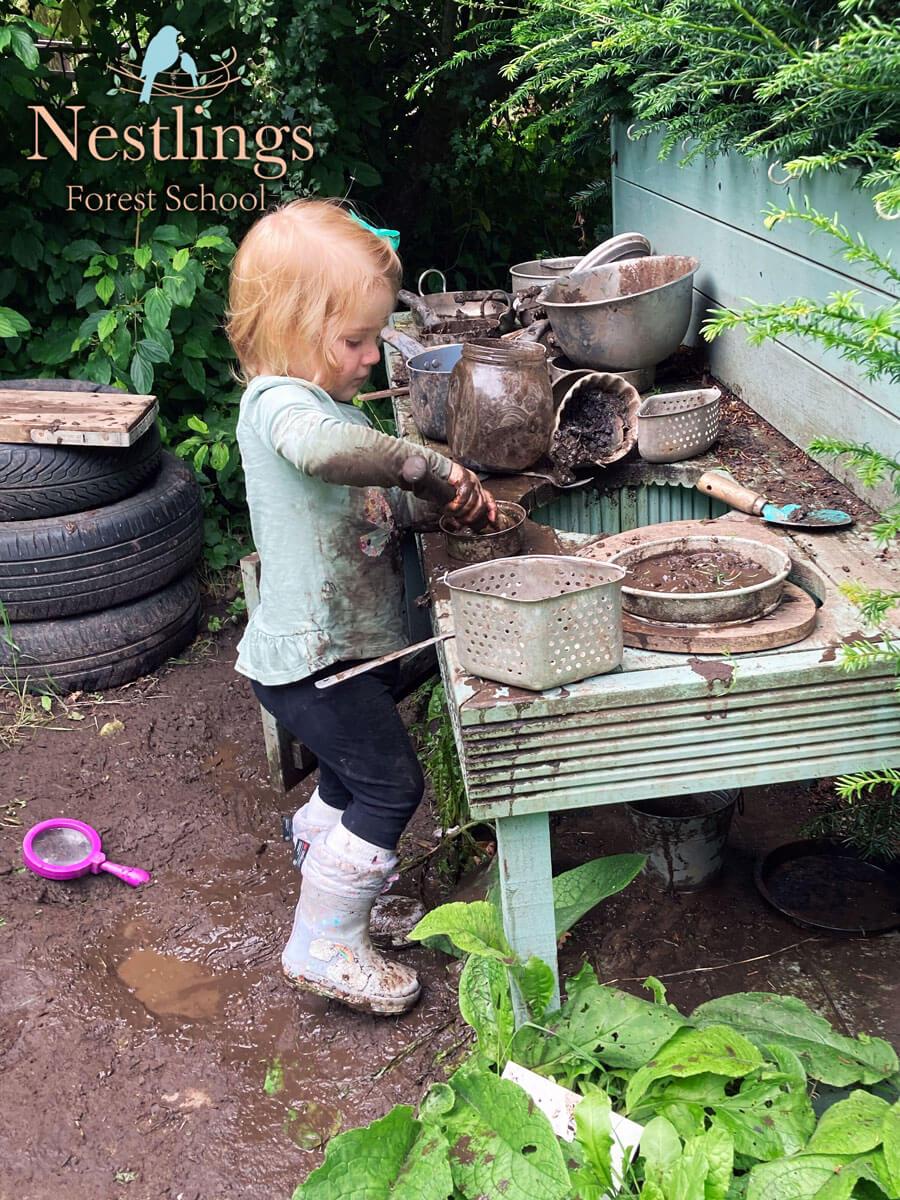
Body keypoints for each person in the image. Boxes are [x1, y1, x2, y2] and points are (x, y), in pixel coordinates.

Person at [224, 198, 496, 1016]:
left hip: (337, 653)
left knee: (350, 779)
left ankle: (331, 874)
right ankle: (323, 942)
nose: (374, 357)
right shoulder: (280, 404)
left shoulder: (325, 404)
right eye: (355, 341)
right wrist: (427, 467)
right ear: (291, 330)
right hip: (314, 659)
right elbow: (330, 453)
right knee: (390, 787)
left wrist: (433, 508)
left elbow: (365, 504)